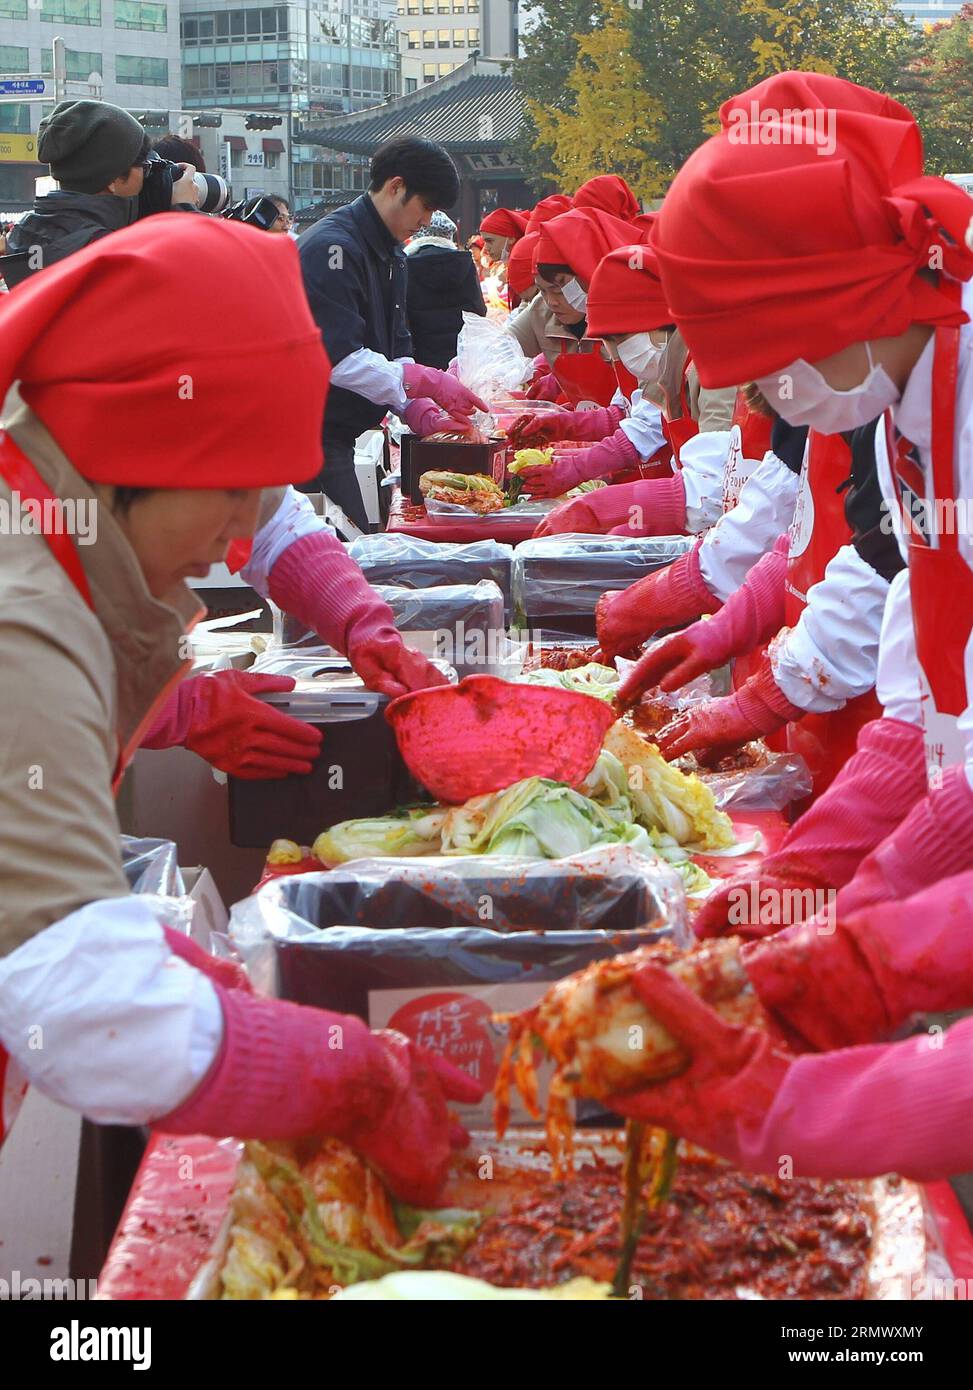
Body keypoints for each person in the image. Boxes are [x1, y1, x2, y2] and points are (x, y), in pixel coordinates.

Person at [0, 214, 481, 1200]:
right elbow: (99, 1023)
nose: (232, 548)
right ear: (132, 447)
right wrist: (360, 1076)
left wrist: (363, 622)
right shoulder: (25, 620)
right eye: (227, 498)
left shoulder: (66, 486)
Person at [598, 72, 973, 1184]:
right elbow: (924, 623)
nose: (760, 396)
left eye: (766, 365)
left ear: (835, 309)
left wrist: (825, 1101)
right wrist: (884, 885)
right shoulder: (912, 396)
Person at [299, 134, 487, 530]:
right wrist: (421, 381)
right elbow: (336, 358)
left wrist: (415, 407)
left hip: (337, 433)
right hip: (305, 434)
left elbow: (394, 345)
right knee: (351, 545)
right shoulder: (333, 249)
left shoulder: (392, 254)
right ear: (396, 186)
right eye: (426, 207)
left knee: (359, 537)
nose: (425, 221)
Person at [1, 100, 200, 286]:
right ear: (114, 179)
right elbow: (193, 286)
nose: (146, 179)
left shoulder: (22, 235)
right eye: (145, 167)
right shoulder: (108, 253)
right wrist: (185, 212)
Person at [405, 210, 486, 370]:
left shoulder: (406, 266)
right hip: (460, 359)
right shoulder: (465, 263)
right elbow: (478, 310)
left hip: (420, 360)